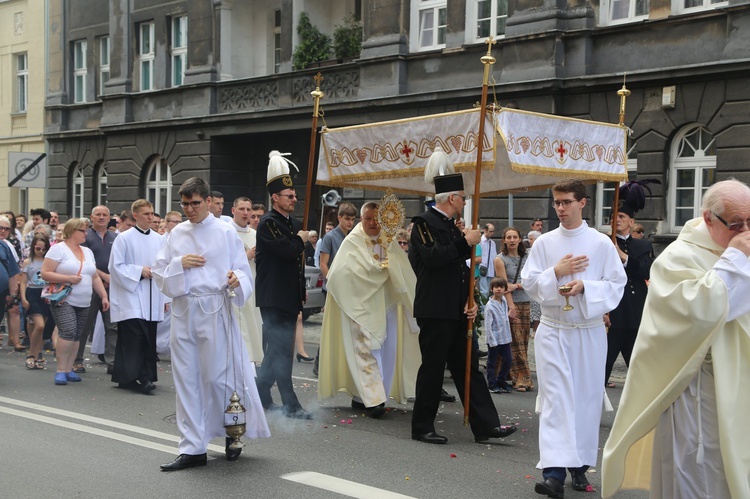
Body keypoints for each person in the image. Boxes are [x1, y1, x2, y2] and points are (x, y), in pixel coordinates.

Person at [602, 179, 750, 499]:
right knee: (703, 472)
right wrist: (736, 259)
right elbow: (701, 313)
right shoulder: (679, 257)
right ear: (709, 218)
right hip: (699, 387)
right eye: (737, 223)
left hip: (740, 380)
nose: (745, 231)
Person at [154, 177, 269, 470]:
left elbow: (243, 271)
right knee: (186, 379)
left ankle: (233, 433)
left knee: (221, 378)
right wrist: (179, 264)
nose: (189, 209)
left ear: (208, 201)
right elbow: (159, 273)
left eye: (195, 203)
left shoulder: (225, 231)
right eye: (185, 203)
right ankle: (193, 448)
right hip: (183, 310)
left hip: (215, 307)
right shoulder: (176, 233)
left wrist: (235, 279)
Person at [521, 178, 626, 497]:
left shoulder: (600, 243)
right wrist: (556, 271)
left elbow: (616, 283)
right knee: (556, 400)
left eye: (566, 202)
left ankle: (579, 468)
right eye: (557, 202)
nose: (560, 208)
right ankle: (553, 473)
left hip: (588, 333)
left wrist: (586, 288)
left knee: (585, 400)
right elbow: (529, 282)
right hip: (553, 331)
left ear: (583, 202)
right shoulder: (544, 243)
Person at [408, 146, 517, 445]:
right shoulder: (424, 224)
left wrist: (469, 300)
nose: (465, 201)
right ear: (452, 198)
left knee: (469, 368)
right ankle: (422, 426)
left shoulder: (452, 228)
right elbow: (432, 259)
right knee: (432, 368)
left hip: (457, 309)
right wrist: (463, 242)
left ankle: (485, 425)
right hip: (434, 309)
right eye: (462, 196)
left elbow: (461, 270)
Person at [318, 201, 421, 418]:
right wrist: (376, 271)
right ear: (361, 220)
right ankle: (373, 400)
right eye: (368, 219)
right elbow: (338, 275)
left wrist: (390, 268)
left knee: (386, 351)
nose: (373, 223)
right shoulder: (352, 242)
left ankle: (363, 395)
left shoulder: (388, 241)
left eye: (377, 219)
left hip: (386, 306)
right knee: (367, 351)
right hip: (360, 308)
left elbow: (402, 272)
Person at [255, 151, 313, 420]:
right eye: (289, 196)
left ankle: (259, 392)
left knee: (277, 351)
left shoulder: (292, 223)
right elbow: (287, 252)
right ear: (275, 197)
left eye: (295, 195)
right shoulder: (269, 223)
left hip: (288, 297)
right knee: (281, 353)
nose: (294, 199)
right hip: (273, 297)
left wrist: (300, 294)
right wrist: (301, 240)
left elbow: (297, 267)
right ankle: (291, 405)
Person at [41, 218, 110, 386]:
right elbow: (45, 273)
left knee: (77, 334)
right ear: (72, 232)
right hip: (64, 298)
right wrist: (68, 278)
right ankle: (61, 370)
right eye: (82, 231)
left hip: (84, 300)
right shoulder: (58, 249)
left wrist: (103, 296)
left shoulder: (87, 252)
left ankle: (70, 368)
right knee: (68, 331)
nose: (85, 233)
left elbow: (94, 276)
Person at [108, 199, 165, 394]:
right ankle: (141, 377)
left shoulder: (159, 239)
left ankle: (132, 376)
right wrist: (139, 271)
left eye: (152, 213)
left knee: (149, 336)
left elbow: (165, 266)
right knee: (135, 338)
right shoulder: (124, 238)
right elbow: (115, 267)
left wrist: (166, 298)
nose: (151, 217)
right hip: (131, 295)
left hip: (153, 295)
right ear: (136, 216)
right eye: (146, 214)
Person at [604, 181, 655, 389]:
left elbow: (646, 271)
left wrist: (622, 255)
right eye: (613, 217)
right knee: (602, 367)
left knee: (639, 370)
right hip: (613, 314)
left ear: (631, 222)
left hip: (635, 314)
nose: (617, 220)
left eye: (622, 217)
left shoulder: (643, 245)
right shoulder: (602, 243)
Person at [313, 202, 358, 375]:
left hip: (350, 287)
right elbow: (323, 264)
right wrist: (333, 282)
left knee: (346, 328)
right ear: (339, 217)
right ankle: (319, 362)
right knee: (330, 326)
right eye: (347, 219)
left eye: (352, 219)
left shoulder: (353, 236)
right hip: (334, 287)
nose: (349, 223)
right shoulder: (330, 237)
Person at [77, 205, 117, 374]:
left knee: (113, 326)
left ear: (109, 219)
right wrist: (102, 277)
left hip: (112, 287)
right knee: (84, 325)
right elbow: (85, 262)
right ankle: (77, 360)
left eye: (105, 215)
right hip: (89, 286)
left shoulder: (116, 237)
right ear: (91, 218)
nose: (101, 217)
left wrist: (112, 278)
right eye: (98, 215)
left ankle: (113, 362)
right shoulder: (85, 237)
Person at [494, 226, 534, 392]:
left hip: (526, 302)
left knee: (522, 340)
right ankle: (522, 378)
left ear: (519, 239)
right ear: (504, 240)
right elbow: (504, 287)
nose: (511, 240)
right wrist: (511, 307)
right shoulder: (500, 259)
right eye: (508, 237)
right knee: (514, 341)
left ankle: (504, 374)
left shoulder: (528, 257)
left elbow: (532, 280)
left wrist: (516, 285)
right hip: (509, 303)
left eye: (514, 237)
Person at [228, 196, 264, 364]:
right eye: (241, 209)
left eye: (248, 209)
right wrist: (246, 256)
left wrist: (258, 258)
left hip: (252, 284)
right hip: (233, 288)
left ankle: (250, 359)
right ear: (233, 210)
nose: (245, 213)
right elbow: (222, 260)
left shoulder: (255, 234)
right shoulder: (226, 232)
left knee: (252, 323)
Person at [20, 234, 53, 369]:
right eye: (38, 248)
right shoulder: (28, 262)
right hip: (32, 292)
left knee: (41, 327)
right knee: (38, 325)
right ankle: (31, 354)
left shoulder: (48, 261)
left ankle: (37, 353)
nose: (40, 251)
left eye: (43, 249)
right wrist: (23, 297)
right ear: (33, 247)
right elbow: (23, 282)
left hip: (45, 293)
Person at [484, 276, 512, 394]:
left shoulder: (504, 300)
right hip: (494, 339)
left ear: (505, 289)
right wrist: (492, 340)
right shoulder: (489, 306)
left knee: (508, 360)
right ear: (492, 289)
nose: (499, 289)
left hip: (505, 337)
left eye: (501, 287)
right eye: (496, 287)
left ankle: (501, 380)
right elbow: (488, 325)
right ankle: (492, 383)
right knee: (492, 362)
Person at [0, 217, 21, 343]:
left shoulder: (6, 246)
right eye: (0, 227)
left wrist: (13, 294)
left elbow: (13, 270)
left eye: (6, 228)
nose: (3, 231)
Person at [478, 223, 497, 297]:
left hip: (490, 269)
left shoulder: (492, 243)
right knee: (484, 291)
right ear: (485, 230)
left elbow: (494, 256)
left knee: (488, 290)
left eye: (493, 231)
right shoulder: (480, 241)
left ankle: (485, 306)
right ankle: (483, 307)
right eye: (490, 231)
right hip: (482, 268)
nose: (492, 233)